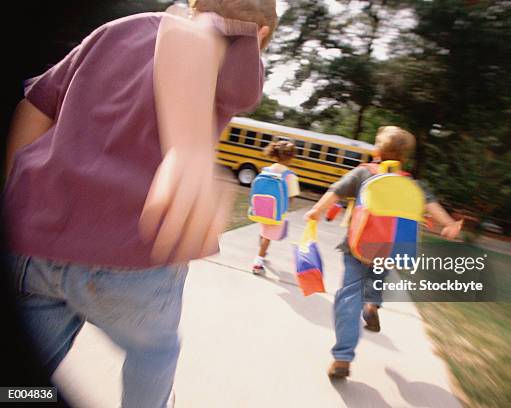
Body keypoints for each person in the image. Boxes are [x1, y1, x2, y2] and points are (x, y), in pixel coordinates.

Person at [1, 1, 277, 407]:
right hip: (138, 255)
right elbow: (207, 36)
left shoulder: (115, 29)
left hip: (33, 243)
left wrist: (14, 197)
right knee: (153, 353)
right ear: (263, 37)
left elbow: (35, 106)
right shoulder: (238, 44)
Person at [304, 126, 463, 378]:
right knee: (378, 276)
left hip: (358, 246)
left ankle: (343, 357)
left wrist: (316, 211)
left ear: (377, 150)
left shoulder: (363, 173)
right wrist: (450, 225)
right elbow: (433, 208)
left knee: (348, 296)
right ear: (405, 157)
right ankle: (373, 306)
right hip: (390, 249)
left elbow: (334, 192)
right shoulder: (412, 183)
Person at [252, 140, 300, 275]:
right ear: (291, 157)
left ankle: (262, 252)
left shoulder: (266, 170)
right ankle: (258, 263)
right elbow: (292, 196)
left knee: (264, 232)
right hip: (277, 211)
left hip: (261, 208)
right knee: (268, 237)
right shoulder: (290, 175)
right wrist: (285, 209)